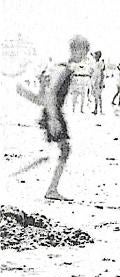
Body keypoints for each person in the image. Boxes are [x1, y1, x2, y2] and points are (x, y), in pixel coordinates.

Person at [16, 35, 90, 200]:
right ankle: (51, 189)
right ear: (77, 49)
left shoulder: (60, 67)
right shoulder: (64, 68)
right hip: (54, 112)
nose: (85, 55)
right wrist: (53, 118)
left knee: (59, 151)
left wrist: (24, 92)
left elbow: (41, 98)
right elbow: (50, 94)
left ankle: (50, 188)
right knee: (62, 151)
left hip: (52, 111)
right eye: (84, 51)